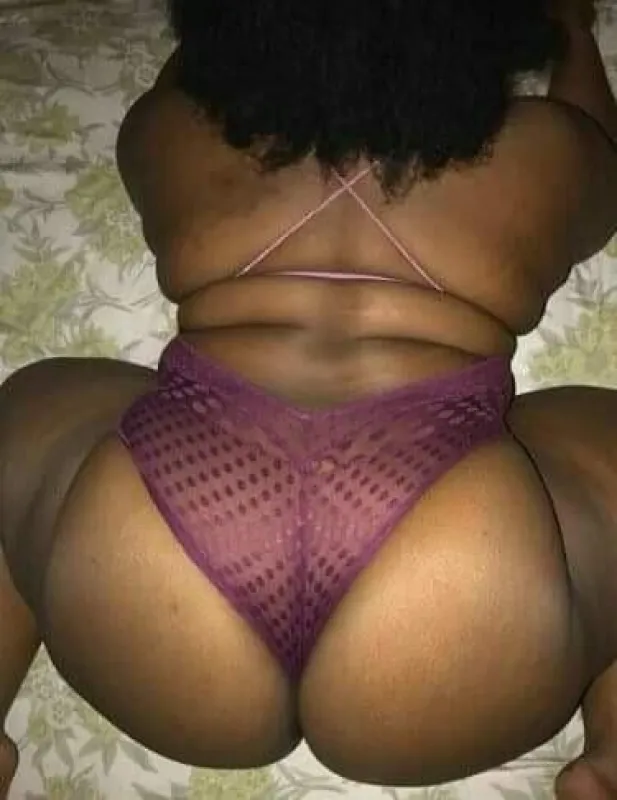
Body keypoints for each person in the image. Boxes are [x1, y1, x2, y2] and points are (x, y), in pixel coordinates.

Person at [1, 0, 617, 797]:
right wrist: (571, 32)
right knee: (593, 429)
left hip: (155, 570)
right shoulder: (545, 150)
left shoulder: (171, 133)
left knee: (36, 401)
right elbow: (601, 155)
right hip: (454, 594)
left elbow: (185, 81)